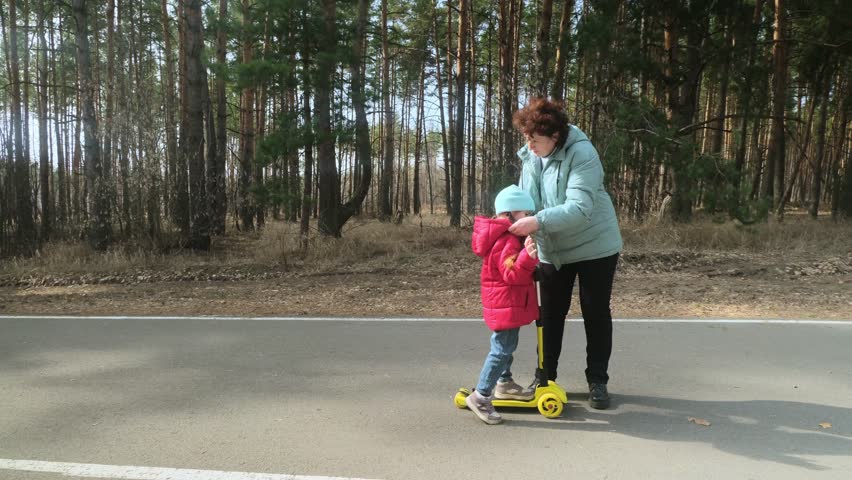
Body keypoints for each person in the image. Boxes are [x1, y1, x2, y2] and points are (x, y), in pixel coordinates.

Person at [508, 97, 622, 410]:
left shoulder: (582, 153)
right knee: (549, 314)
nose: (529, 146)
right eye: (526, 138)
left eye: (535, 140)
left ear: (555, 136)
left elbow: (580, 208)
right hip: (553, 246)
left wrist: (537, 222)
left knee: (595, 311)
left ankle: (597, 380)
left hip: (594, 244)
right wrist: (524, 229)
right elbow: (526, 201)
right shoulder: (531, 156)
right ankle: (545, 377)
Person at [465, 185, 540, 425]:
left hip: (505, 303)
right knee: (501, 350)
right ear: (510, 214)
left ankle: (504, 382)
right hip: (505, 303)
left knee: (505, 346)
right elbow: (511, 274)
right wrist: (528, 257)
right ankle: (481, 396)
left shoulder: (505, 237)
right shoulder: (507, 240)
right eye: (525, 213)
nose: (528, 218)